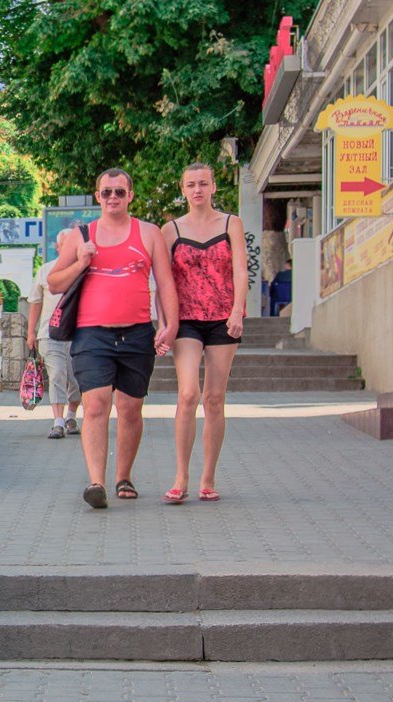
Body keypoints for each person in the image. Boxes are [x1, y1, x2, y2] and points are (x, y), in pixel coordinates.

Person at [48, 168, 179, 508]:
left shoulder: (148, 234)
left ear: (130, 196)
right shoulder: (82, 235)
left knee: (131, 408)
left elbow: (165, 283)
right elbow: (54, 282)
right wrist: (82, 261)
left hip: (137, 332)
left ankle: (123, 476)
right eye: (106, 192)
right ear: (98, 196)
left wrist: (171, 325)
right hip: (91, 334)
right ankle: (96, 482)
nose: (113, 198)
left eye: (119, 192)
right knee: (95, 405)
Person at [160, 162, 247, 504]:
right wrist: (164, 323)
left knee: (214, 398)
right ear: (182, 190)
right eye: (191, 184)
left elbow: (240, 269)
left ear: (214, 187)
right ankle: (180, 476)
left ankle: (207, 478)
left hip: (224, 319)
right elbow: (163, 281)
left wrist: (238, 310)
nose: (197, 190)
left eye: (203, 183)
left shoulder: (231, 224)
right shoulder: (171, 230)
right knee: (188, 395)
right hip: (186, 322)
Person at [27, 228, 81, 439]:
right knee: (57, 373)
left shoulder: (83, 271)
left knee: (75, 380)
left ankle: (71, 415)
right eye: (64, 245)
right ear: (58, 248)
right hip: (49, 334)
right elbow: (35, 303)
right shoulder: (45, 271)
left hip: (77, 335)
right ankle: (58, 421)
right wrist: (31, 333)